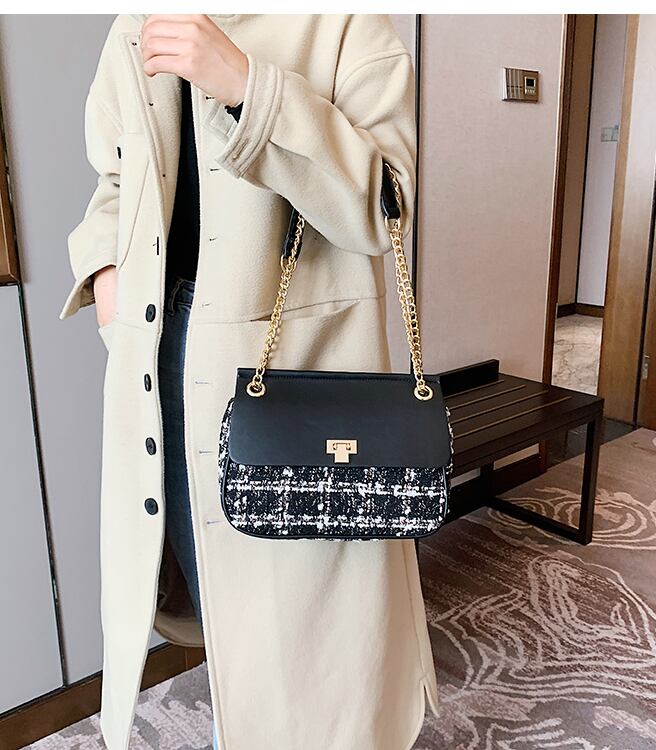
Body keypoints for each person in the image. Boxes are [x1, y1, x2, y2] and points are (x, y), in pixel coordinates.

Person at [61, 14, 439, 749]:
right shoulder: (137, 21)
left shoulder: (347, 22)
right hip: (162, 355)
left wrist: (248, 88)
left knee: (310, 636)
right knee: (220, 599)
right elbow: (116, 175)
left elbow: (382, 210)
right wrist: (106, 274)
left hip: (303, 368)